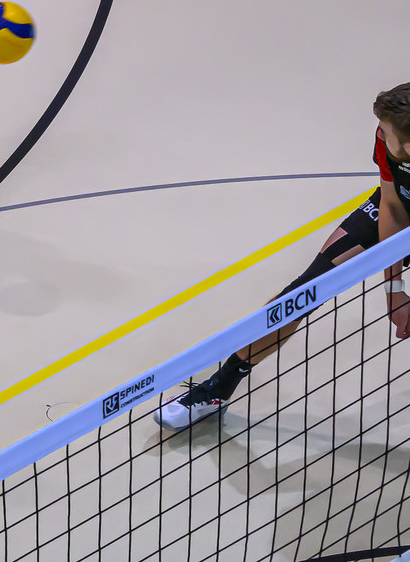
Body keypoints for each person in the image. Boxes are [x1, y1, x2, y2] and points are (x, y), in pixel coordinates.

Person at [155, 84, 410, 430]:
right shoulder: (387, 138)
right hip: (402, 204)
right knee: (301, 293)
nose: (379, 133)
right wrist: (394, 291)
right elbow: (392, 206)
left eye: (386, 131)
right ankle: (218, 389)